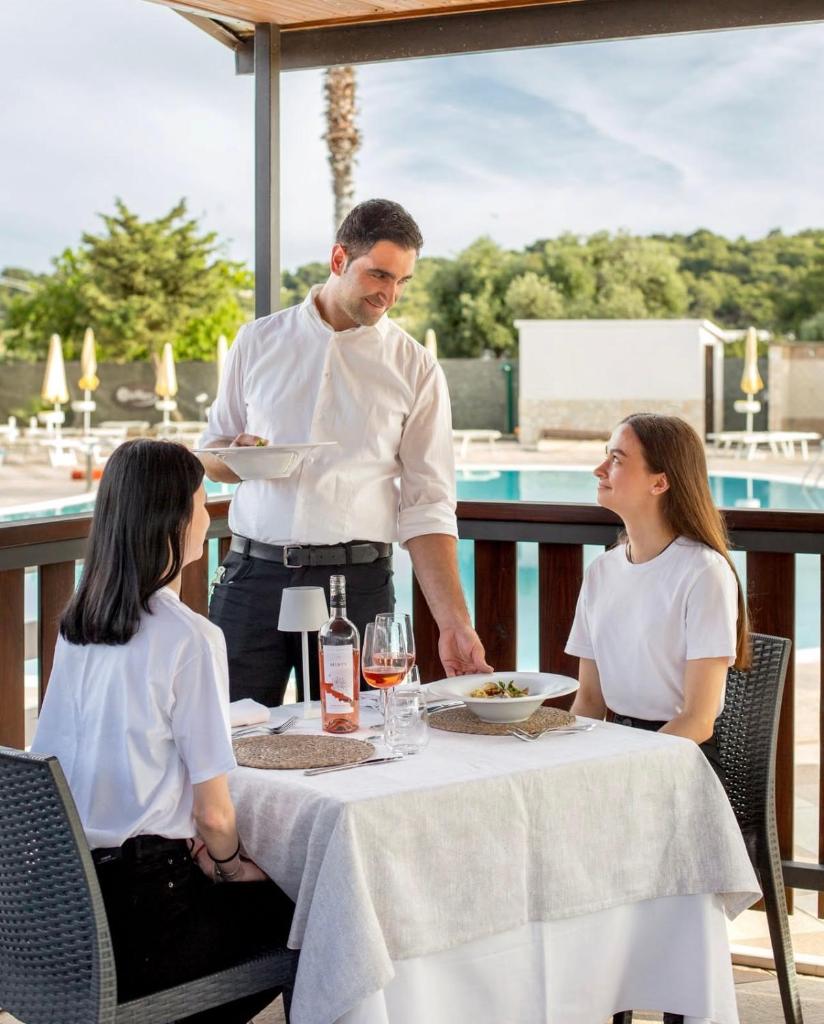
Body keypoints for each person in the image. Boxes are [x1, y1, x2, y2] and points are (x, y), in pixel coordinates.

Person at [31, 439, 294, 1024]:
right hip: (148, 920)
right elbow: (214, 816)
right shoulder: (190, 637)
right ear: (174, 518)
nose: (207, 514)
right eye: (201, 501)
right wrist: (230, 866)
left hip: (63, 915)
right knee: (308, 913)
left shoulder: (78, 625)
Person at [200, 198, 491, 706]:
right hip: (251, 578)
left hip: (357, 585)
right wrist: (236, 455)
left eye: (402, 282)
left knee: (359, 739)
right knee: (231, 733)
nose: (390, 295)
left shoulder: (415, 367)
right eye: (379, 275)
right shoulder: (258, 341)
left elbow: (428, 506)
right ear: (339, 259)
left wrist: (455, 625)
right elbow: (215, 455)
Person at [565, 413, 750, 778]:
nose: (599, 470)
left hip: (682, 758)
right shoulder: (601, 571)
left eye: (616, 459)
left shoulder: (704, 573)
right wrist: (563, 764)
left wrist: (627, 769)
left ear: (660, 482)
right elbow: (589, 700)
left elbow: (697, 720)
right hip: (614, 746)